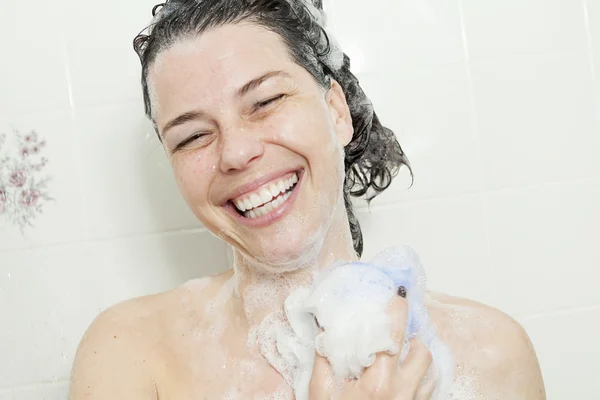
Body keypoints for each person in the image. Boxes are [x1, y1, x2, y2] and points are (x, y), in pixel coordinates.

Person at [69, 0, 546, 398]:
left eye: (265, 102)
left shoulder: (489, 358)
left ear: (336, 111)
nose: (235, 153)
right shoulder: (129, 355)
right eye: (193, 136)